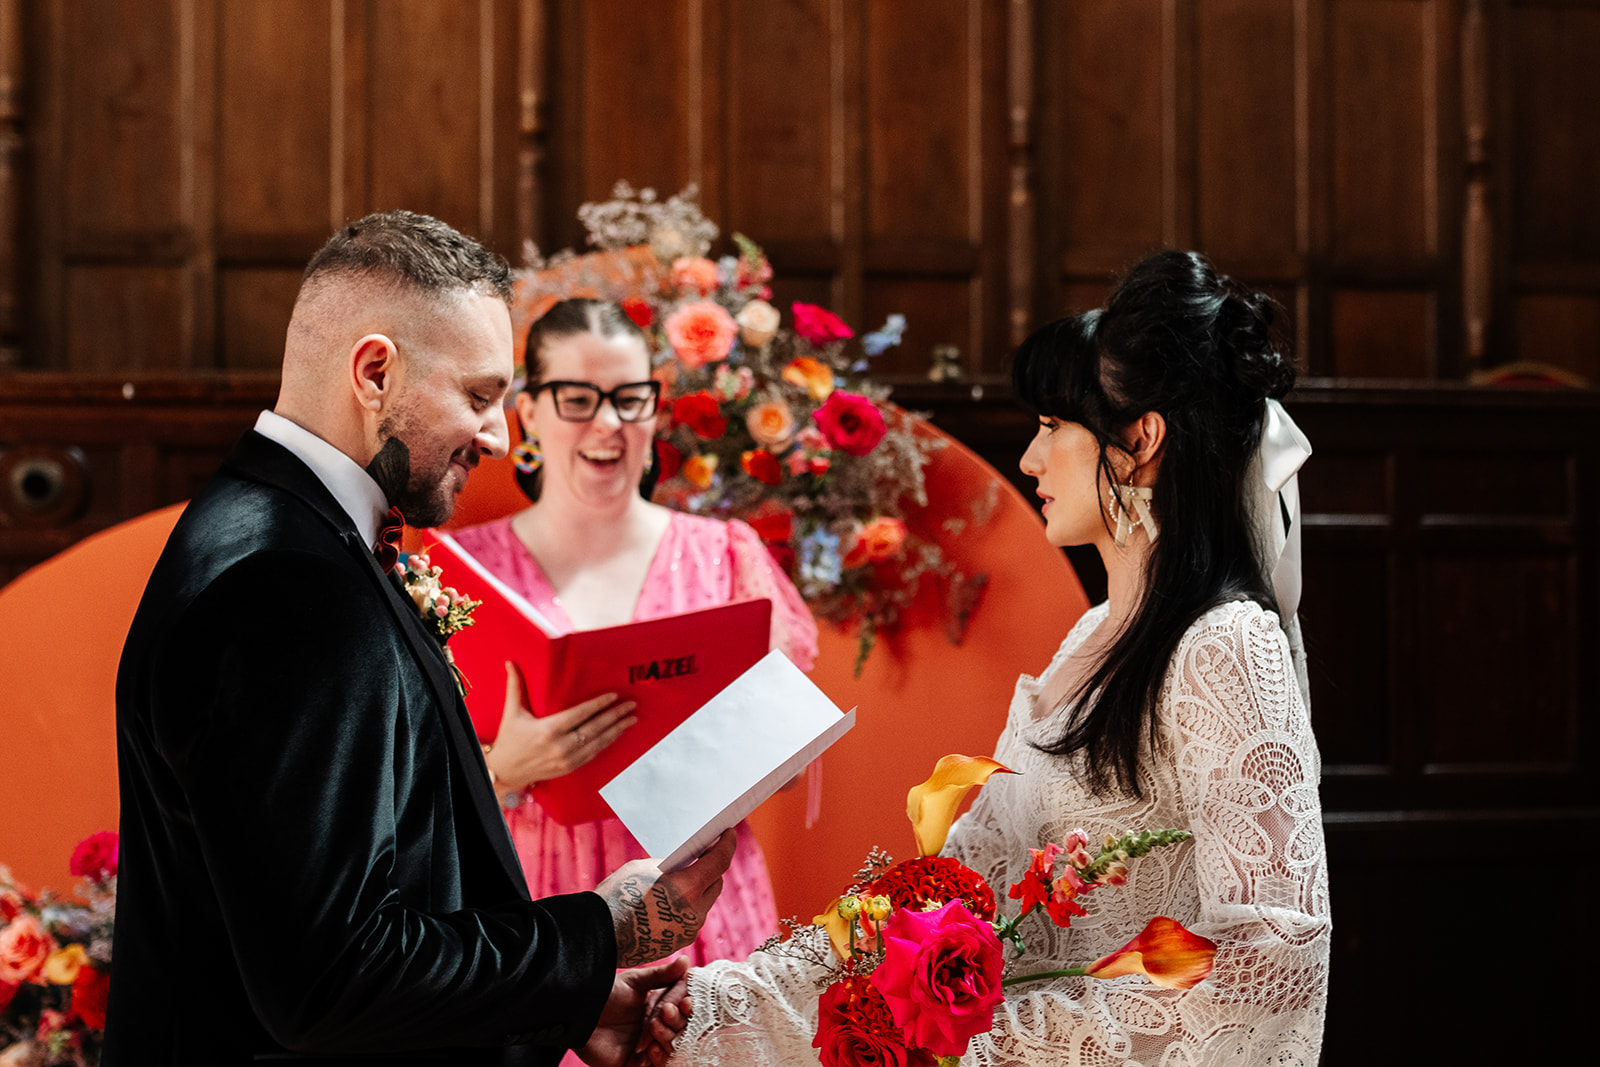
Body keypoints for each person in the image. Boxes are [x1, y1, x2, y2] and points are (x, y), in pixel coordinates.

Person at [659, 250, 1331, 1065]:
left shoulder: (1224, 644)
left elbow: (1270, 963)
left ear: (1142, 439)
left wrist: (990, 1048)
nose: (1030, 459)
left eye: (1052, 428)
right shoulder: (1089, 638)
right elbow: (955, 894)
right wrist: (720, 1002)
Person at [106, 212, 735, 1067]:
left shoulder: (268, 526)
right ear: (374, 371)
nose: (498, 436)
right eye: (478, 395)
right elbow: (330, 978)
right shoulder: (288, 583)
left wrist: (569, 1003)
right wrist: (599, 932)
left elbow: (379, 900)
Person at [450, 298, 818, 972]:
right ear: (529, 413)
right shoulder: (461, 574)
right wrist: (501, 768)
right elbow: (399, 780)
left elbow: (791, 759)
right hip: (531, 907)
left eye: (629, 398)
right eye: (578, 399)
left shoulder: (727, 557)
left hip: (698, 901)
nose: (609, 423)